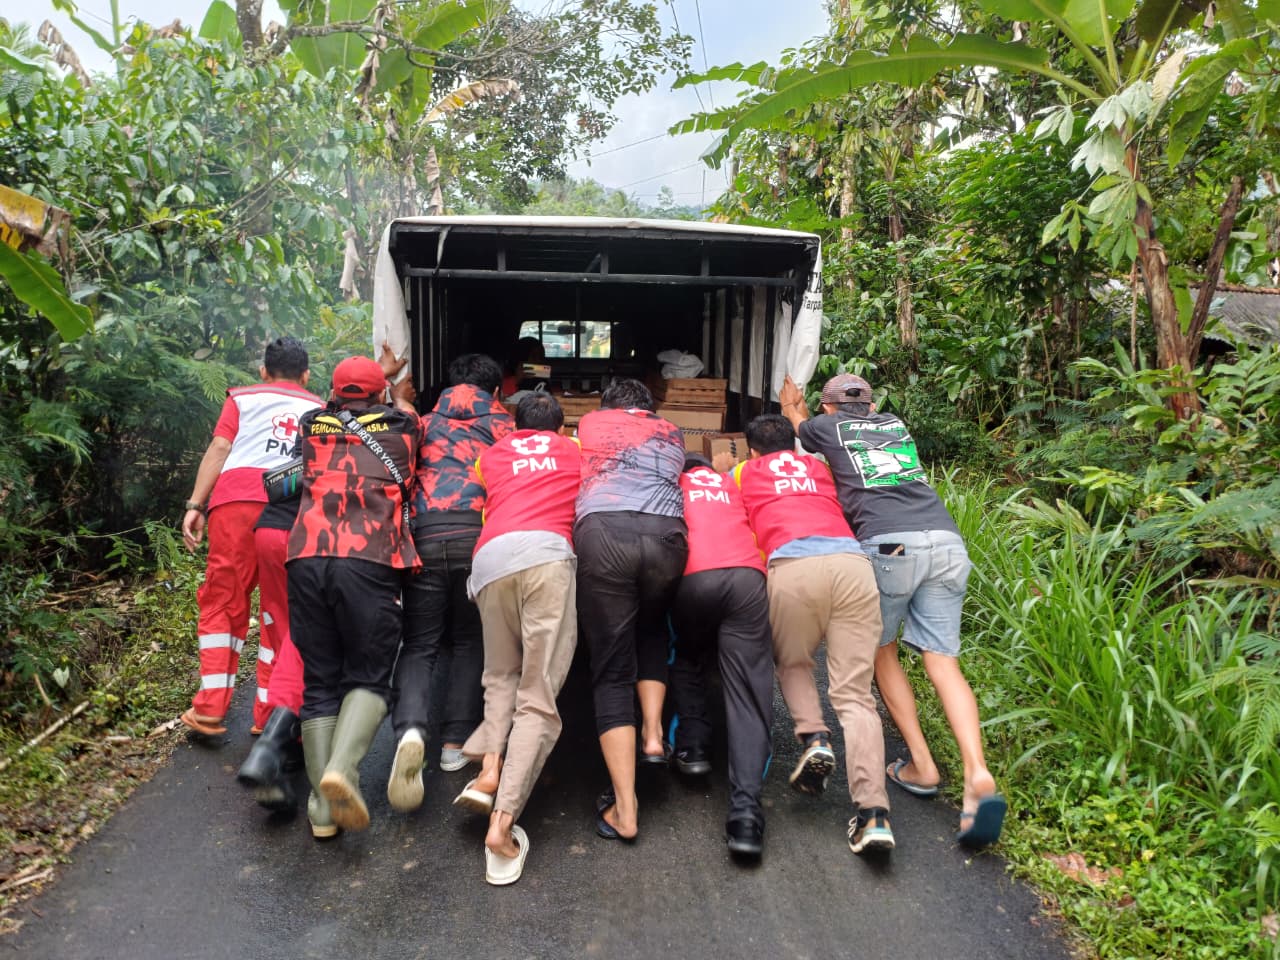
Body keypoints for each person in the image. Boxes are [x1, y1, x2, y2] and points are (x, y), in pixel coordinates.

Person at [780, 372, 1005, 848]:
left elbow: (796, 425)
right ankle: (977, 773)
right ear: (874, 403)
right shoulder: (896, 424)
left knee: (881, 653)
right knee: (944, 663)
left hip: (890, 546)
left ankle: (922, 763)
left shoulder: (828, 426)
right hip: (946, 542)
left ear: (830, 407)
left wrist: (791, 405)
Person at [733, 414, 894, 856]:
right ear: (794, 442)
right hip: (851, 564)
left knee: (793, 662)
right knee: (856, 696)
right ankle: (873, 815)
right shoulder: (819, 469)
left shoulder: (745, 473)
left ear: (751, 450)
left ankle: (814, 737)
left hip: (794, 566)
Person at [450, 393, 581, 885]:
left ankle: (489, 770)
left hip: (491, 560)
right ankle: (501, 826)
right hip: (547, 554)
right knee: (538, 695)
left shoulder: (493, 454)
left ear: (514, 423)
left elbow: (483, 495)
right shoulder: (575, 450)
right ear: (561, 425)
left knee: (500, 674)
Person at [288, 355, 420, 837]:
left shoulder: (310, 425)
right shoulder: (403, 428)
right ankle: (342, 769)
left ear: (335, 392)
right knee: (369, 673)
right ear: (380, 393)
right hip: (368, 560)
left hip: (305, 557)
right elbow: (404, 410)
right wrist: (392, 387)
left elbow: (330, 407)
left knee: (320, 680)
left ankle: (323, 813)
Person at [386, 353, 514, 812]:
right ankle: (455, 743)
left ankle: (412, 731)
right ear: (495, 392)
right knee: (468, 639)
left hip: (425, 535)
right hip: (477, 539)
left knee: (419, 643)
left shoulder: (420, 424)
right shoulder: (505, 427)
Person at [179, 336, 322, 738]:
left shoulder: (241, 397)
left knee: (224, 600)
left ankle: (209, 709)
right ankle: (270, 715)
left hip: (235, 503)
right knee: (280, 610)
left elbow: (221, 446)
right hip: (291, 508)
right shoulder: (319, 408)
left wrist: (195, 505)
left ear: (263, 371)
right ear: (307, 374)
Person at [574, 377, 687, 842]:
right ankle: (655, 735)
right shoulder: (673, 431)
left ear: (609, 405)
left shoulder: (591, 422)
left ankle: (625, 807)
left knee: (611, 667)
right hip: (667, 538)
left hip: (606, 534)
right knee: (652, 627)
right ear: (649, 405)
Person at [666, 453, 774, 859]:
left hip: (694, 578)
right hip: (747, 578)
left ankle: (693, 746)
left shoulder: (671, 485)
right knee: (748, 689)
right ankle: (745, 818)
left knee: (686, 651)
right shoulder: (732, 485)